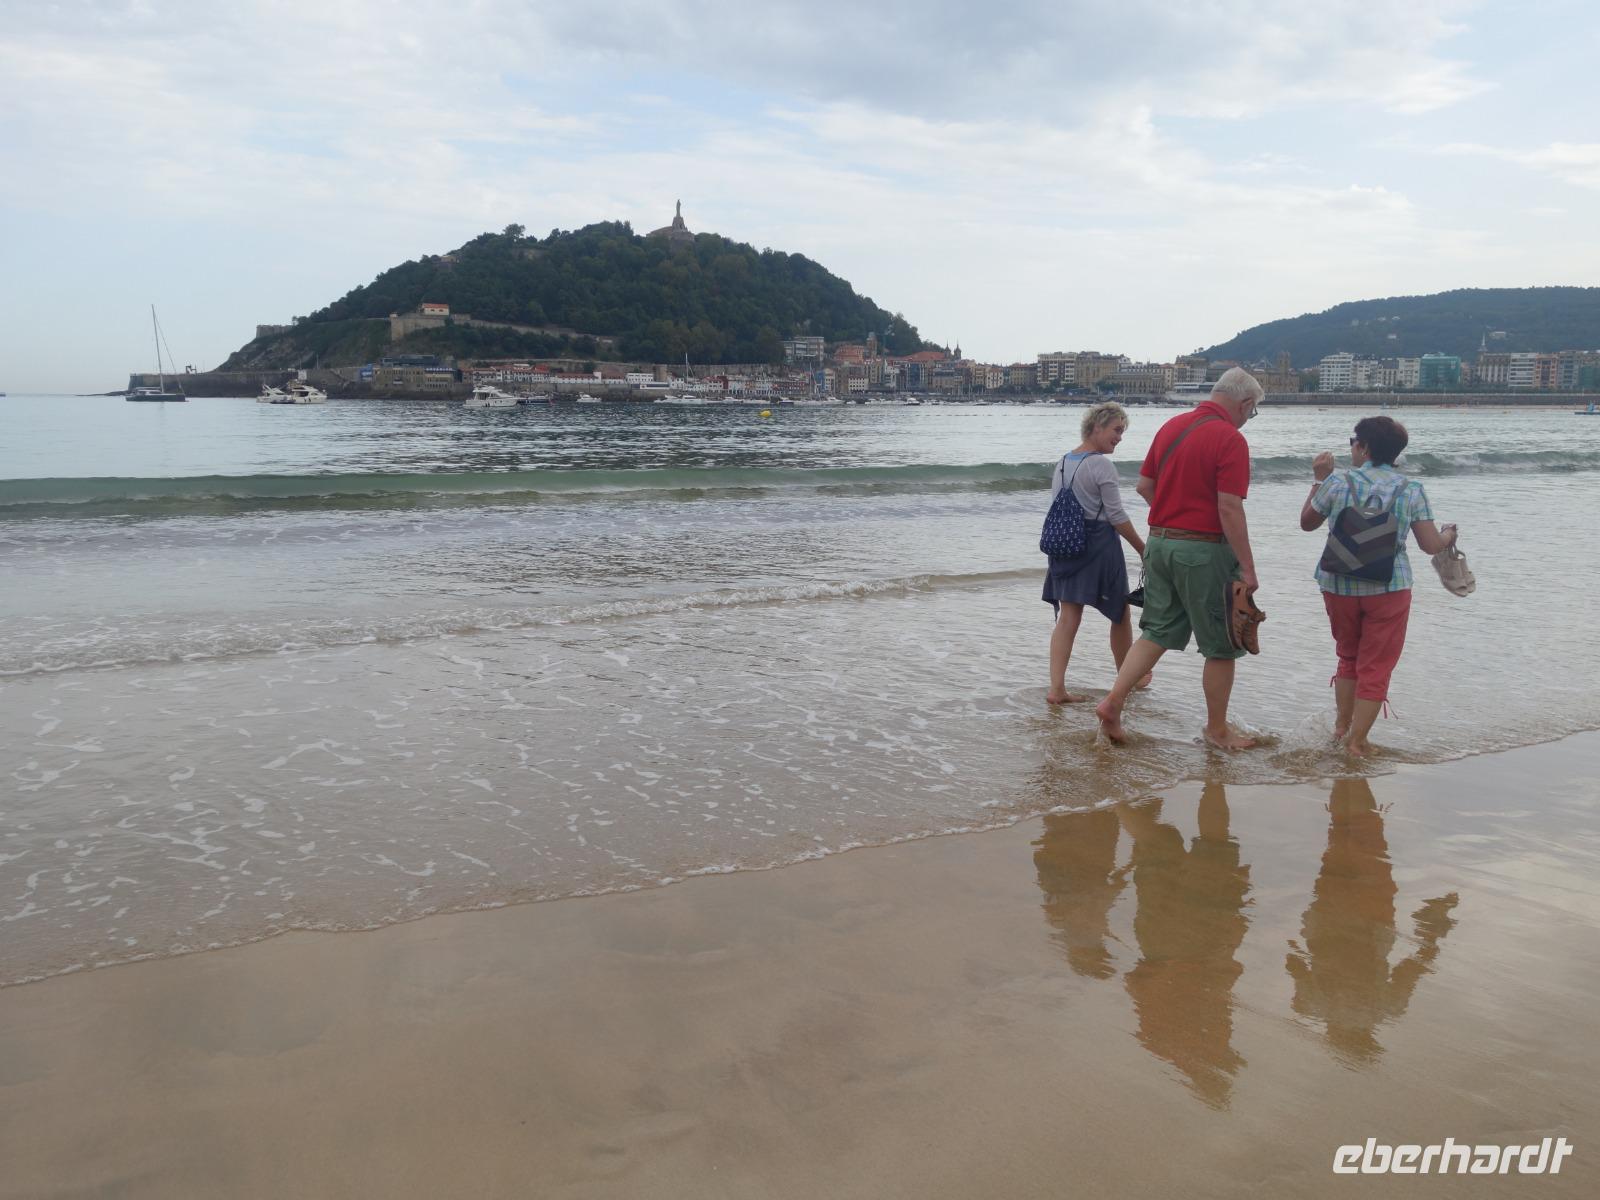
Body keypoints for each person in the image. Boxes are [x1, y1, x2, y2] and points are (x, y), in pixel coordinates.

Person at [1095, 368, 1262, 749]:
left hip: (1160, 543)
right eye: (1251, 413)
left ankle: (1113, 701)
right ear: (1245, 404)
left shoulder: (1171, 427)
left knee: (1157, 631)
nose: (1247, 420)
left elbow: (1144, 486)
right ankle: (1217, 731)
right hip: (1204, 551)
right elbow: (1230, 507)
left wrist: (1173, 516)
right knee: (1222, 643)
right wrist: (1248, 566)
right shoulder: (1229, 439)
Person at [1300, 415, 1458, 756]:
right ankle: (1357, 742)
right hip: (1389, 588)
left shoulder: (1337, 482)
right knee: (1375, 666)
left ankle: (1341, 729)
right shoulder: (1410, 489)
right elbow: (1430, 545)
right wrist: (1449, 534)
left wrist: (1318, 479)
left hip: (1338, 584)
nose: (1352, 448)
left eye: (1353, 442)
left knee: (1348, 656)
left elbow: (1307, 523)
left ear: (1365, 447)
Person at [1042, 401, 1149, 704]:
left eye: (1122, 431)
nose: (1119, 437)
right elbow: (1115, 515)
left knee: (1068, 617)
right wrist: (1143, 549)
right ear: (1097, 427)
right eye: (1116, 430)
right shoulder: (1101, 464)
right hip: (1098, 545)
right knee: (1119, 613)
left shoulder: (1064, 461)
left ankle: (1057, 688)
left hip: (1065, 546)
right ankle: (1127, 679)